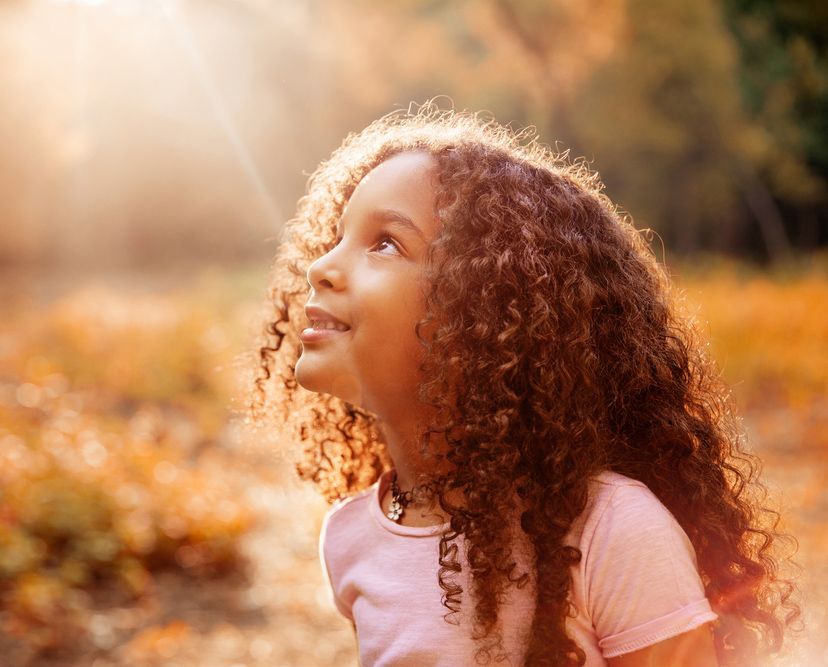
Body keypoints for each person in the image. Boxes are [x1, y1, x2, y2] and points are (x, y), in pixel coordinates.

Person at [250, 103, 799, 666]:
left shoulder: (613, 531)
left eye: (385, 242)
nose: (321, 267)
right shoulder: (350, 537)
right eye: (337, 237)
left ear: (482, 316)